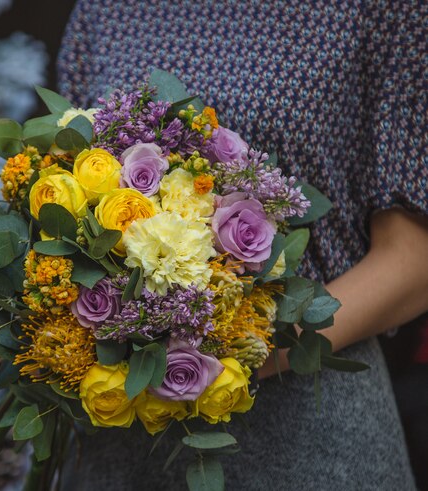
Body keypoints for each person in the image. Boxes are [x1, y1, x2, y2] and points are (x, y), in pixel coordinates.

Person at [56, 1, 427, 489]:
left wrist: (226, 345)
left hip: (303, 426)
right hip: (117, 421)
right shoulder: (105, 10)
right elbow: (63, 189)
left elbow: (412, 261)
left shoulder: (382, 10)